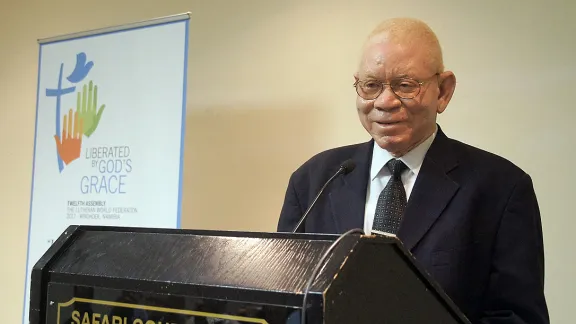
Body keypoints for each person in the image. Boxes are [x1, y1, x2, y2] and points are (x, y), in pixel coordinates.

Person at [277, 17, 549, 323]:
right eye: (371, 85)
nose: (385, 101)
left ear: (443, 91)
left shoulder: (501, 189)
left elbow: (518, 318)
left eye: (405, 86)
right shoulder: (313, 181)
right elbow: (286, 305)